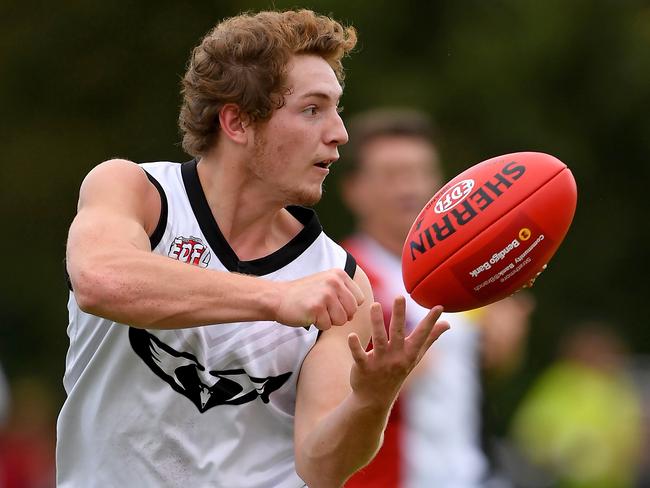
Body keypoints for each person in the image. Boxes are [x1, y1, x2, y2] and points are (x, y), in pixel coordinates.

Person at [57, 10, 450, 488]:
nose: (339, 133)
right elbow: (101, 281)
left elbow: (321, 466)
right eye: (312, 109)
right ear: (238, 122)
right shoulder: (136, 190)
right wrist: (275, 299)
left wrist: (372, 399)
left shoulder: (339, 277)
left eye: (337, 109)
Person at [340, 108, 533, 488]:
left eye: (421, 172)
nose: (409, 188)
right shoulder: (345, 276)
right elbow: (328, 397)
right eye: (393, 175)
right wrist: (398, 371)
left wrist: (505, 343)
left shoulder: (466, 271)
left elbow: (483, 365)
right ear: (354, 190)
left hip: (470, 475)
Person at [509, 321, 643, 488]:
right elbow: (532, 428)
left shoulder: (618, 385)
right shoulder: (560, 381)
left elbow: (633, 432)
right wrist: (568, 450)